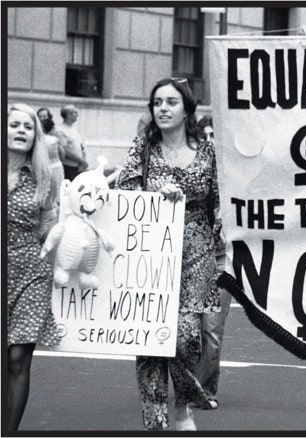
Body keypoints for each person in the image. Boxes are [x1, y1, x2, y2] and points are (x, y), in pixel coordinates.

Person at [116, 78, 220, 430]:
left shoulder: (207, 152)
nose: (162, 108)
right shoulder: (142, 149)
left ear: (187, 109)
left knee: (186, 336)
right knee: (149, 338)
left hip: (196, 254)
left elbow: (220, 203)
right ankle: (155, 420)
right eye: (157, 102)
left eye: (171, 102)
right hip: (151, 254)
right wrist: (155, 193)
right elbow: (124, 192)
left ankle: (182, 406)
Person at [7, 103, 60, 431]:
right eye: (14, 124)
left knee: (17, 359)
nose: (21, 131)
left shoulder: (44, 176)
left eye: (28, 127)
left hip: (31, 272)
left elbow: (47, 229)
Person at [194, 113, 229, 410]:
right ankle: (187, 382)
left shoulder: (236, 178)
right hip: (190, 260)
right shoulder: (190, 175)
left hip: (223, 260)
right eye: (204, 136)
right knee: (188, 330)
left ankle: (205, 390)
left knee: (212, 331)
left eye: (214, 136)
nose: (209, 142)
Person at [37, 107, 65, 195]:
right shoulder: (55, 139)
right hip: (55, 165)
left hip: (44, 166)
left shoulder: (39, 139)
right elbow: (62, 154)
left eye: (44, 116)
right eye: (40, 116)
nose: (42, 119)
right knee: (57, 189)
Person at [58, 104, 88, 180]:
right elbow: (65, 151)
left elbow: (81, 146)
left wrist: (83, 161)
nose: (77, 114)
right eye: (75, 112)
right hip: (68, 168)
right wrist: (82, 162)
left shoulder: (73, 129)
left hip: (78, 167)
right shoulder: (61, 130)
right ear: (68, 114)